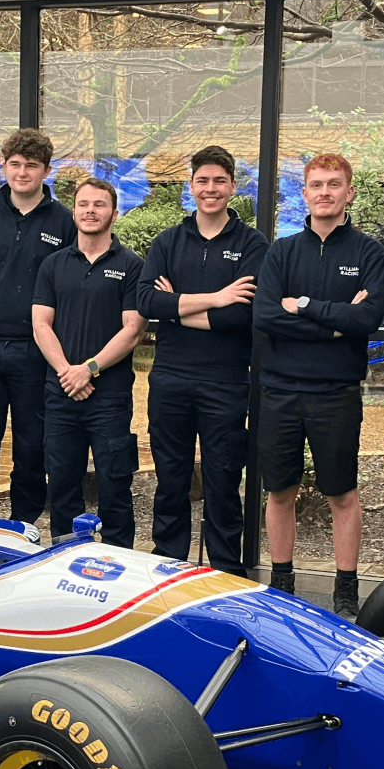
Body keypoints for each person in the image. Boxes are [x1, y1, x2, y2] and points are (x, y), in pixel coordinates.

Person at [250, 153, 384, 620]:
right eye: (316, 184)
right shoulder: (282, 252)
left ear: (349, 192)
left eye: (334, 184)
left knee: (342, 493)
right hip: (280, 390)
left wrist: (304, 306)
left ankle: (345, 586)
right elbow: (264, 315)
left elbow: (368, 318)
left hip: (336, 393)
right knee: (280, 490)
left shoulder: (368, 253)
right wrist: (334, 322)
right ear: (304, 193)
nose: (325, 192)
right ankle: (282, 580)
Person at [137, 146, 269, 578]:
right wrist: (215, 297)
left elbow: (243, 314)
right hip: (171, 379)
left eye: (219, 181)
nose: (210, 189)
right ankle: (167, 571)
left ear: (232, 186)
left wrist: (177, 306)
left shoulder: (252, 244)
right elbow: (146, 301)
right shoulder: (168, 242)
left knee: (223, 483)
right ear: (189, 187)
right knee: (171, 480)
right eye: (202, 181)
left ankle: (227, 573)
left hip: (226, 382)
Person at [0, 129, 75, 524]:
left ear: (46, 170)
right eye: (15, 164)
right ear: (4, 167)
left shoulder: (63, 222)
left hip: (36, 351)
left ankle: (24, 528)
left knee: (31, 448)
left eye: (32, 166)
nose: (22, 172)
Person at [32, 178, 146, 547]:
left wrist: (89, 369)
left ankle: (119, 561)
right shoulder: (53, 264)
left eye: (99, 205)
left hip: (109, 397)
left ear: (114, 213)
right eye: (83, 204)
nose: (90, 211)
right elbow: (40, 323)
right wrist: (69, 372)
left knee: (115, 485)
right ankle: (64, 559)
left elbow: (133, 330)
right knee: (62, 483)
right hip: (61, 393)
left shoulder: (131, 265)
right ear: (74, 211)